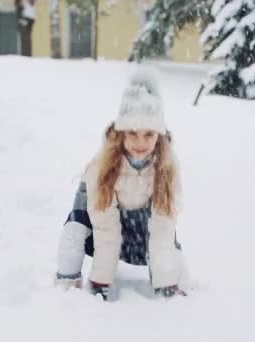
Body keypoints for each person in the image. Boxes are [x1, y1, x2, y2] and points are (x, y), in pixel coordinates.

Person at [54, 69, 185, 300]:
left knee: (173, 260)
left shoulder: (167, 166)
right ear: (121, 132)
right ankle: (67, 288)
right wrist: (99, 282)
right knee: (73, 231)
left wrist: (167, 284)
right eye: (132, 133)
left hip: (141, 226)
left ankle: (166, 278)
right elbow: (105, 227)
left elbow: (163, 229)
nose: (140, 143)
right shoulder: (102, 165)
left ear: (160, 135)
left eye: (149, 134)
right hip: (99, 226)